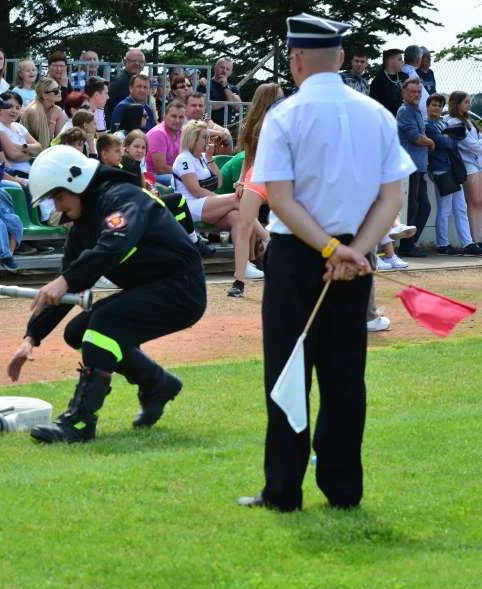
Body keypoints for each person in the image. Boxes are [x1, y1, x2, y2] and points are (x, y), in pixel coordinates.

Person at [238, 14, 414, 512]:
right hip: (355, 255)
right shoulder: (377, 114)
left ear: (295, 60)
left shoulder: (285, 116)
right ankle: (343, 490)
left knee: (288, 369)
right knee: (345, 375)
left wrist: (331, 250)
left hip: (299, 253)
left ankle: (284, 490)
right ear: (339, 59)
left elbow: (281, 199)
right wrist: (354, 249)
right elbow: (392, 195)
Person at [6, 145, 206, 443]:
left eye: (58, 196)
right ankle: (156, 383)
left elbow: (114, 244)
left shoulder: (122, 197)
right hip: (153, 288)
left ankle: (80, 422)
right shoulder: (83, 225)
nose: (57, 206)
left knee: (105, 324)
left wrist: (66, 280)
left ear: (75, 182)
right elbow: (68, 285)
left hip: (182, 289)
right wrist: (31, 337)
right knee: (78, 331)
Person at [227, 82, 283, 297]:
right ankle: (239, 280)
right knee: (243, 223)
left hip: (280, 175)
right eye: (278, 96)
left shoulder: (285, 120)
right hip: (258, 174)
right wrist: (241, 180)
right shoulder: (251, 125)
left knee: (287, 224)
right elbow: (248, 156)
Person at [173, 120, 239, 232]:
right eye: (204, 138)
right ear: (193, 139)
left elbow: (219, 183)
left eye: (208, 138)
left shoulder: (204, 157)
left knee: (238, 217)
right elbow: (196, 191)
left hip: (207, 204)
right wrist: (217, 198)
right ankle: (266, 237)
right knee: (238, 198)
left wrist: (209, 158)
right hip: (190, 207)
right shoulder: (184, 159)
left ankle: (253, 247)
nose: (208, 142)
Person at [426, 93, 470, 254]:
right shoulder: (428, 125)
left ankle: (467, 243)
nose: (437, 108)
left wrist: (450, 138)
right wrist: (451, 137)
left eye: (439, 105)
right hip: (441, 169)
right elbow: (447, 142)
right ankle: (442, 244)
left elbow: (454, 138)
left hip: (452, 169)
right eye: (434, 105)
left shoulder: (443, 122)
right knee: (445, 209)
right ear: (428, 106)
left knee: (461, 207)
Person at [395, 77, 432, 258]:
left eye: (418, 92)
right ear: (403, 92)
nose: (416, 95)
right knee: (414, 207)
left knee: (423, 207)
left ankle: (411, 244)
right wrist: (431, 142)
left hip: (419, 167)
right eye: (412, 91)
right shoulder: (405, 111)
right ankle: (407, 246)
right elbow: (415, 137)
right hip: (409, 167)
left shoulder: (416, 111)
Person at [446, 91, 482, 254]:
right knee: (474, 202)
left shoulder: (469, 120)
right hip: (467, 164)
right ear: (457, 103)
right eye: (466, 102)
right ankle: (474, 240)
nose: (468, 105)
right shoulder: (453, 121)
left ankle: (477, 239)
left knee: (477, 203)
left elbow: (477, 140)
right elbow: (471, 145)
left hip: (476, 162)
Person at [0, 91, 43, 178]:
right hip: (17, 174)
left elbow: (39, 148)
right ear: (0, 107)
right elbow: (13, 155)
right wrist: (31, 154)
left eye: (17, 108)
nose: (14, 111)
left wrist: (22, 147)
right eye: (9, 107)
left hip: (32, 172)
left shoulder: (19, 126)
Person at [145, 99, 184, 187]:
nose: (177, 120)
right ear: (165, 116)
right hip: (151, 176)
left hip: (171, 172)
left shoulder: (181, 131)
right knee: (180, 181)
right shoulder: (158, 134)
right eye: (173, 116)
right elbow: (161, 169)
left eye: (181, 117)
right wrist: (185, 172)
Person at [21, 78, 64, 148]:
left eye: (59, 88)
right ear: (45, 95)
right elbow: (43, 144)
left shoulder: (57, 110)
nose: (60, 92)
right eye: (56, 91)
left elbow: (58, 141)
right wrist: (52, 119)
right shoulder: (33, 111)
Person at [199, 57, 241, 127]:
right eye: (222, 67)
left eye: (227, 69)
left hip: (225, 130)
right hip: (206, 128)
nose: (224, 71)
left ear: (230, 72)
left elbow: (238, 107)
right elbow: (204, 105)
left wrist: (225, 87)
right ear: (215, 67)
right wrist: (227, 102)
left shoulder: (233, 88)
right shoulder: (205, 84)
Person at [104, 48, 145, 119]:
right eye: (133, 61)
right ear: (125, 62)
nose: (137, 64)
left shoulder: (136, 81)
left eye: (141, 61)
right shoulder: (120, 82)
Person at [369, 48, 407, 117]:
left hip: (406, 119)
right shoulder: (378, 82)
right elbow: (376, 106)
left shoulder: (404, 77)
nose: (402, 62)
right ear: (390, 61)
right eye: (399, 59)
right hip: (389, 120)